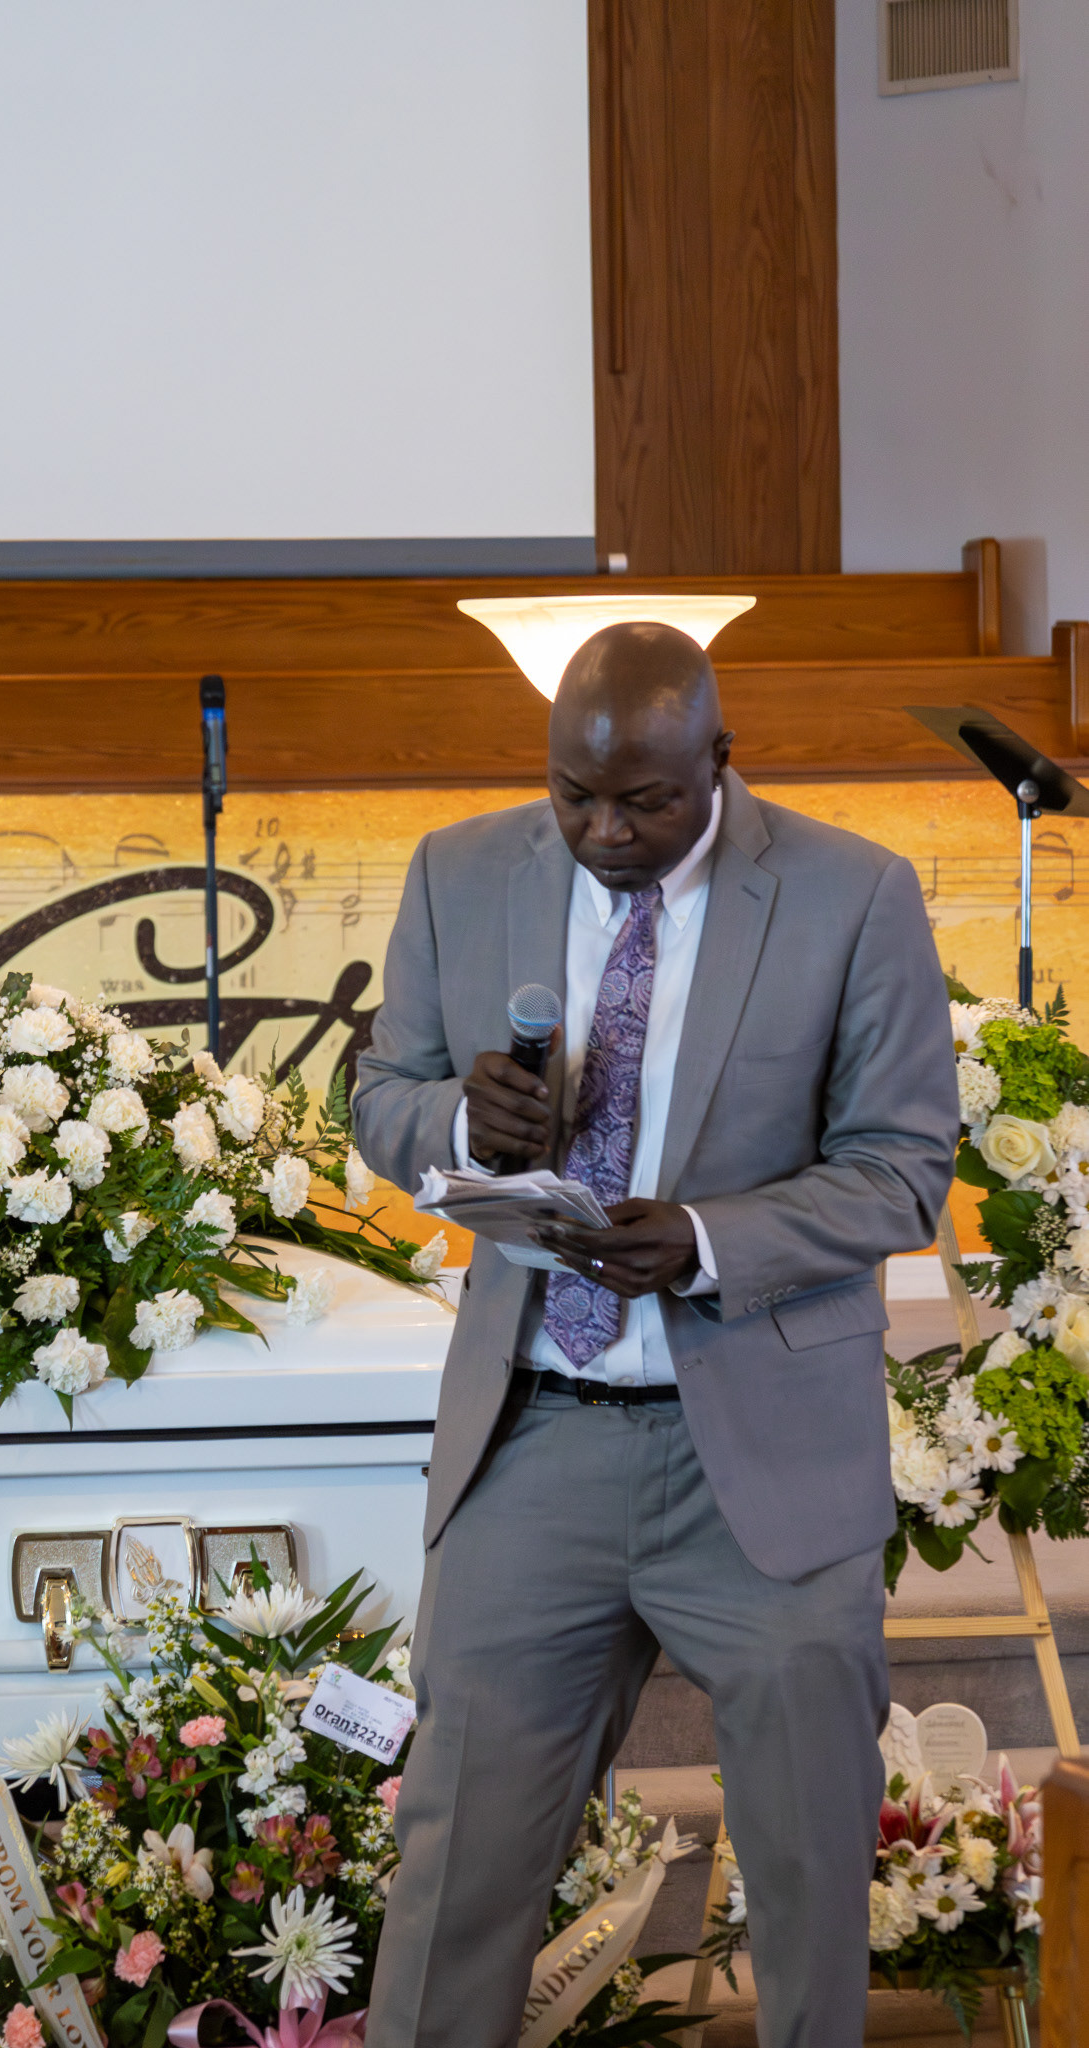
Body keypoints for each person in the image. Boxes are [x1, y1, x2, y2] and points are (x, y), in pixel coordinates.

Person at [351, 622, 960, 2048]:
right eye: (575, 796)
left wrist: (703, 1239)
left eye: (645, 802)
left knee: (808, 1876)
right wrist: (459, 1124)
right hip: (534, 1437)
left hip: (760, 1456)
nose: (605, 832)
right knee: (455, 1870)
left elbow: (901, 1170)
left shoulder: (853, 892)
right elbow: (379, 1094)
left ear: (720, 763)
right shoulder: (456, 870)